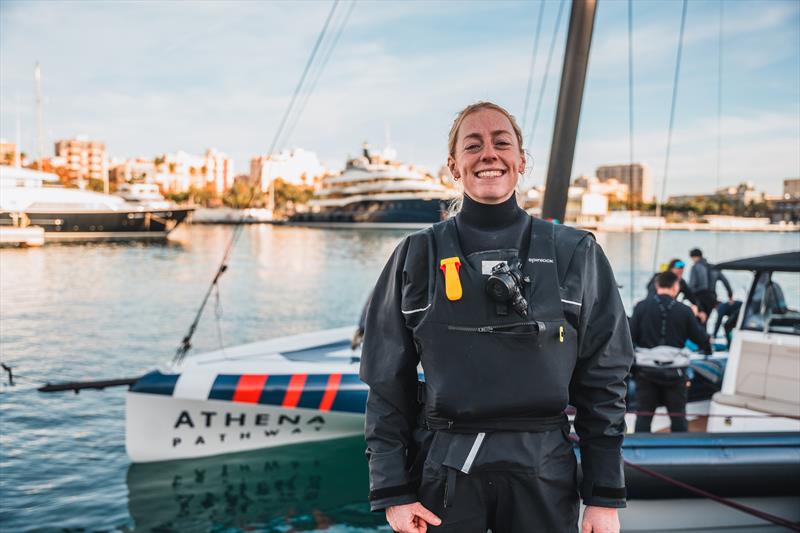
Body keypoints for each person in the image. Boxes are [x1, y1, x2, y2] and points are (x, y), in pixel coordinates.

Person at [360, 102, 633, 533]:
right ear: (454, 165)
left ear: (521, 160)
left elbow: (605, 379)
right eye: (473, 145)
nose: (489, 153)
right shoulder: (417, 254)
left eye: (501, 143)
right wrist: (393, 490)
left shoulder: (575, 253)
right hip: (445, 473)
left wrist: (604, 497)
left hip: (544, 472)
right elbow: (385, 381)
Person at [630, 271, 711, 433]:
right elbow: (701, 338)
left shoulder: (641, 307)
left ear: (657, 285)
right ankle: (679, 447)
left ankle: (640, 448)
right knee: (678, 418)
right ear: (676, 287)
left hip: (646, 372)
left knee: (644, 417)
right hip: (676, 374)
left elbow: (630, 338)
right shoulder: (685, 310)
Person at [687, 248, 734, 322]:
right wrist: (730, 295)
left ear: (695, 257)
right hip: (712, 298)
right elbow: (725, 282)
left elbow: (691, 285)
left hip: (699, 297)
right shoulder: (714, 268)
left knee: (699, 320)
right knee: (706, 319)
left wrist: (687, 295)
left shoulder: (695, 267)